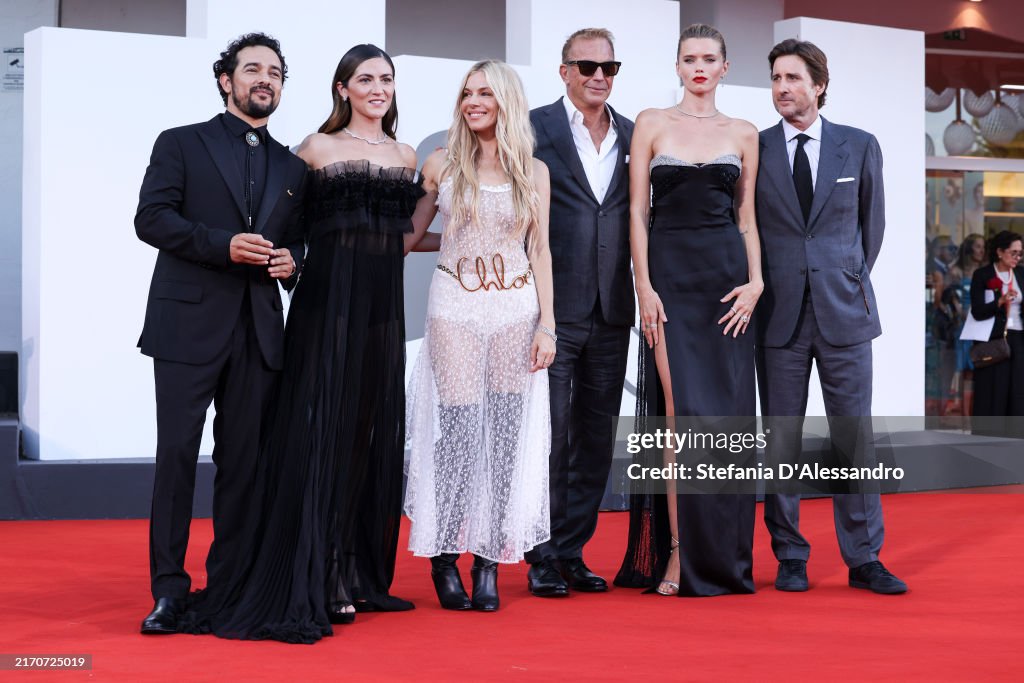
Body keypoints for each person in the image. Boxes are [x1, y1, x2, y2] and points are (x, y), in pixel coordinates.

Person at [177, 44, 431, 643]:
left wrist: (476, 239)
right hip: (324, 310)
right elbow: (284, 233)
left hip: (380, 317)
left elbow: (403, 237)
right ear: (342, 88)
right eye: (365, 78)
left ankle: (350, 566)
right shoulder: (314, 150)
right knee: (322, 433)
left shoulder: (405, 154)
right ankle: (315, 573)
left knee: (366, 435)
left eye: (386, 79)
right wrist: (290, 262)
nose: (378, 88)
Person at [135, 32, 306, 634]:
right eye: (253, 69)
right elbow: (151, 218)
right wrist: (221, 246)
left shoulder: (293, 165)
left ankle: (229, 583)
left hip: (259, 332)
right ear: (224, 80)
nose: (265, 79)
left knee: (244, 464)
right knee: (176, 458)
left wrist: (293, 263)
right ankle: (168, 590)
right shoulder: (181, 143)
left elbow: (296, 241)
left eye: (276, 73)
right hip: (186, 324)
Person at [754, 38, 907, 594]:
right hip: (778, 317)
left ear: (818, 85)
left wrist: (841, 276)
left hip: (845, 314)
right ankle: (790, 554)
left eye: (792, 78)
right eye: (775, 78)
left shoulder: (859, 146)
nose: (781, 88)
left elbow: (873, 230)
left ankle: (864, 557)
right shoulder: (757, 147)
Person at [615, 24, 762, 597]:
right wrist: (643, 288)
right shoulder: (651, 122)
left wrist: (757, 283)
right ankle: (679, 554)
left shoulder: (744, 133)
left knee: (724, 418)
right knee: (679, 413)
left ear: (724, 67)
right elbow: (635, 213)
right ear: (677, 67)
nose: (698, 67)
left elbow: (746, 218)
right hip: (669, 281)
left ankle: (724, 555)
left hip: (728, 285)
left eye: (708, 59)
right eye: (688, 59)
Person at [404, 59, 555, 612]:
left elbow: (539, 250)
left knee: (506, 438)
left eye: (485, 93)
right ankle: (445, 555)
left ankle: (488, 559)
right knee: (461, 432)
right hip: (455, 309)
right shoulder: (441, 162)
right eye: (467, 92)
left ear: (506, 101)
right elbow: (411, 235)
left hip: (516, 309)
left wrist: (548, 325)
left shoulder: (532, 171)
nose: (473, 101)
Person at [524, 27, 635, 598]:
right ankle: (540, 553)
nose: (599, 76)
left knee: (595, 437)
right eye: (587, 66)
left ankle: (572, 550)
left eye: (609, 67)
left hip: (614, 309)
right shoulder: (533, 127)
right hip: (549, 310)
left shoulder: (634, 135)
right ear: (564, 69)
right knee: (550, 437)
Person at [969, 231, 1024, 431]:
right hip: (992, 339)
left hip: (1018, 336)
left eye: (1020, 253)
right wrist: (999, 301)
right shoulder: (983, 275)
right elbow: (977, 311)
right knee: (993, 388)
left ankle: (1016, 437)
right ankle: (988, 435)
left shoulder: (1020, 274)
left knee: (1017, 388)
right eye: (1014, 253)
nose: (1017, 258)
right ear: (1000, 252)